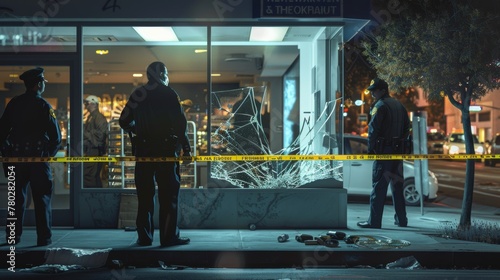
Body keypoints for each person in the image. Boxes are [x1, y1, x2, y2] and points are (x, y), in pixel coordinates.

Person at [119, 61, 191, 247]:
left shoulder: (138, 94)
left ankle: (144, 237)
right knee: (168, 197)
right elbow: (180, 125)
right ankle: (168, 237)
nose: (168, 77)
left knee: (144, 197)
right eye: (167, 73)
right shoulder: (169, 94)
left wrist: (137, 128)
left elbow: (123, 121)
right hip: (166, 152)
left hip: (143, 152)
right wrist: (186, 148)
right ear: (162, 74)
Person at [0, 67, 62, 246]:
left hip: (16, 159)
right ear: (38, 84)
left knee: (15, 200)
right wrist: (46, 156)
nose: (44, 85)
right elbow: (56, 138)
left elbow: (2, 132)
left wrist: (7, 153)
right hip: (38, 160)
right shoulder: (44, 106)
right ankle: (44, 238)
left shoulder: (14, 103)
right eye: (42, 82)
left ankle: (13, 237)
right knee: (41, 199)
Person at [357, 78, 411, 229]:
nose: (372, 93)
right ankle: (402, 220)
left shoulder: (380, 106)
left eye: (374, 90)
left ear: (382, 90)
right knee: (397, 188)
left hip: (384, 153)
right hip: (398, 152)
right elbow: (408, 128)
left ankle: (373, 222)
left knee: (379, 188)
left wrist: (370, 150)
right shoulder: (400, 106)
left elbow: (373, 130)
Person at [83, 95, 108, 188]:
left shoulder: (99, 118)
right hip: (91, 150)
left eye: (87, 103)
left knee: (88, 176)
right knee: (93, 176)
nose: (86, 105)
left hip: (95, 151)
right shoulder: (91, 117)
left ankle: (91, 197)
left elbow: (101, 136)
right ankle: (96, 198)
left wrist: (86, 133)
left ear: (94, 104)